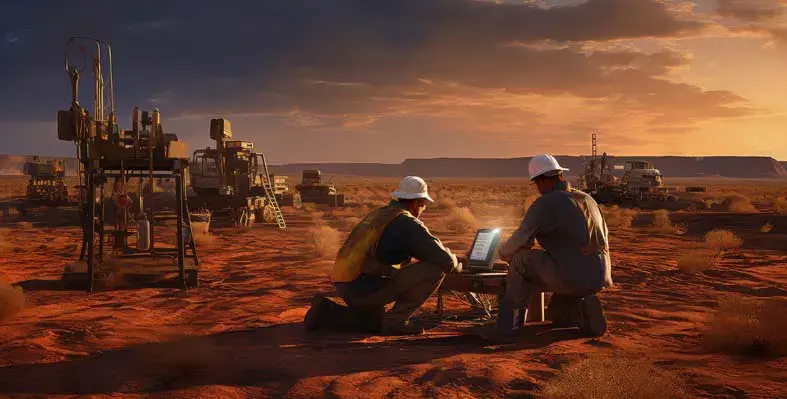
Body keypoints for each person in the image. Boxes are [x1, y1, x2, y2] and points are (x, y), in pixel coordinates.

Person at [304, 176, 461, 335]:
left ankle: (326, 312)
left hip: (347, 285)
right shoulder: (406, 222)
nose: (423, 209)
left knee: (373, 321)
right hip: (364, 288)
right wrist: (457, 261)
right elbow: (445, 261)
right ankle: (396, 322)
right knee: (434, 270)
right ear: (416, 203)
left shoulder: (379, 214)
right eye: (424, 205)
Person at [489, 154, 614, 339]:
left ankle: (509, 324)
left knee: (520, 260)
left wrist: (502, 254)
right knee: (557, 312)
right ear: (560, 175)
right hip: (600, 276)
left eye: (536, 183)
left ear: (539, 181)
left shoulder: (547, 202)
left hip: (571, 275)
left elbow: (515, 244)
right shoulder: (588, 199)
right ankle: (580, 312)